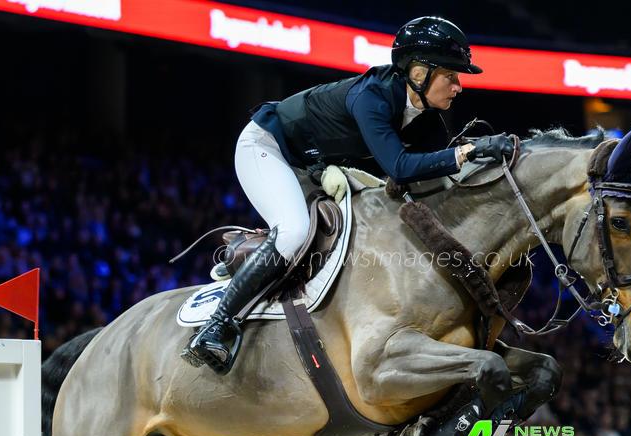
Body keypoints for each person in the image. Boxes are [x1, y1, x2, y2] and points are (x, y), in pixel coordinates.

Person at [185, 16, 515, 368]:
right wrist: (465, 152)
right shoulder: (371, 96)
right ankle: (216, 325)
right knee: (295, 230)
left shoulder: (425, 117)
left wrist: (478, 160)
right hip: (267, 147)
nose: (458, 86)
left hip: (311, 166)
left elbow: (435, 178)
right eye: (451, 76)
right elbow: (401, 167)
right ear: (419, 74)